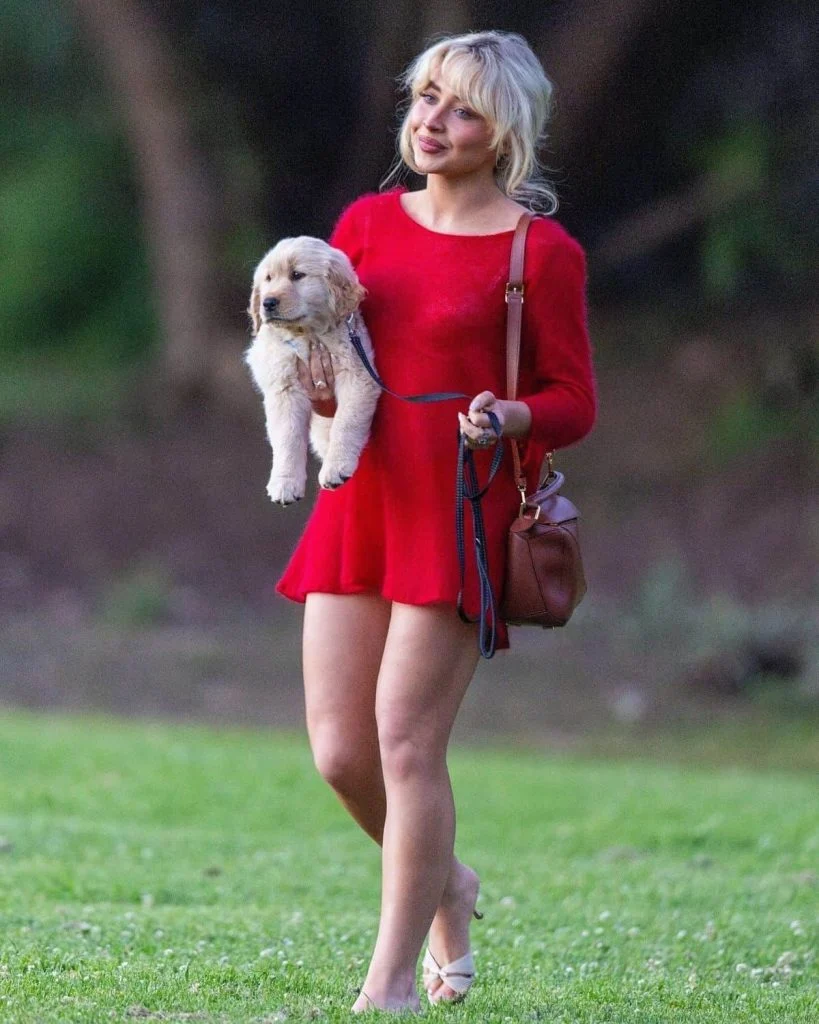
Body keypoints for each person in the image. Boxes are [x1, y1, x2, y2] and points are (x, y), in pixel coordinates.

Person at [276, 30, 596, 1014]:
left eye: (460, 108)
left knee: (407, 742)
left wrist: (512, 416)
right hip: (359, 497)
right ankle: (447, 881)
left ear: (502, 131)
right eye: (424, 99)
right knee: (340, 751)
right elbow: (329, 350)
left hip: (457, 508)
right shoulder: (364, 226)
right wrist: (311, 387)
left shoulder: (538, 252)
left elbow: (574, 398)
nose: (432, 121)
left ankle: (395, 976)